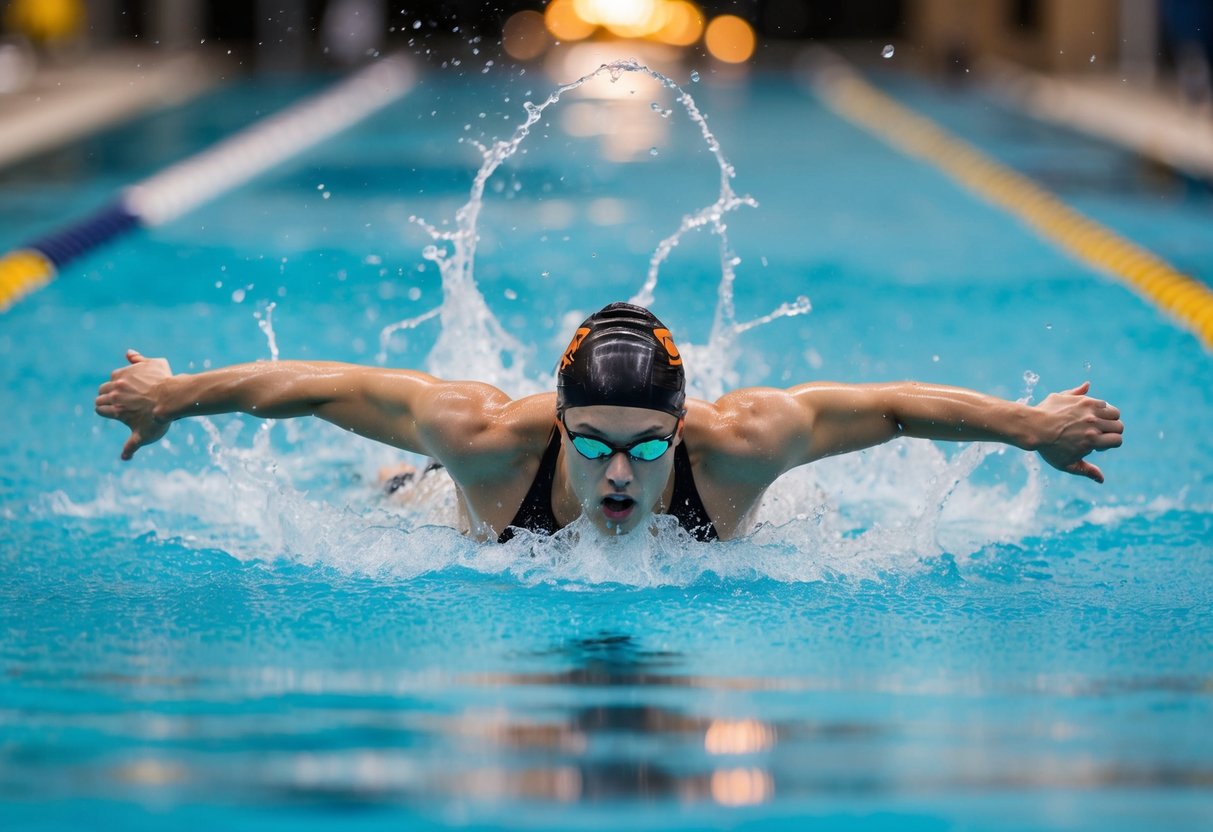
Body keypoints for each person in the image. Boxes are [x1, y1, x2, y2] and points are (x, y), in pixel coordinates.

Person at [95, 302, 1124, 542]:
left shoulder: (737, 441)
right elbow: (317, 387)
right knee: (402, 487)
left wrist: (1029, 426)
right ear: (558, 423)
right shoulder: (488, 435)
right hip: (462, 505)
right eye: (590, 442)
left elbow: (895, 409)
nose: (619, 471)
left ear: (683, 431)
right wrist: (174, 395)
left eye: (645, 445)